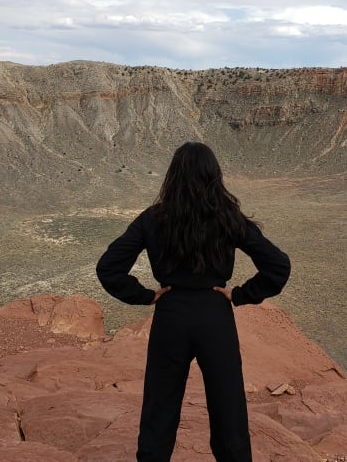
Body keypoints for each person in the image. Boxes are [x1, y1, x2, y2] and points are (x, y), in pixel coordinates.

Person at [96, 142, 291, 462]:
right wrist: (241, 294)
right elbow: (278, 266)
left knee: (160, 408)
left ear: (173, 177)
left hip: (170, 316)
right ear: (214, 176)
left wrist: (146, 296)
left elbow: (108, 268)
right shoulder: (228, 216)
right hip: (215, 316)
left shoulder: (152, 218)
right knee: (228, 410)